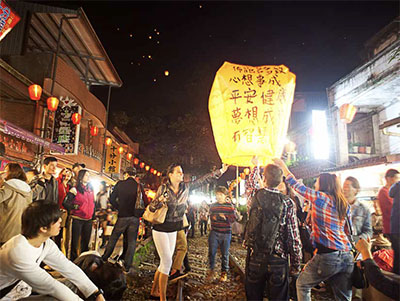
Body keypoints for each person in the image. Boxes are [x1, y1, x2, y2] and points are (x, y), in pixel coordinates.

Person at [273, 158, 354, 301]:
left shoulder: (320, 198)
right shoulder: (343, 203)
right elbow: (348, 230)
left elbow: (296, 185)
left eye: (317, 181)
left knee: (303, 284)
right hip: (347, 256)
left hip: (329, 256)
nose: (315, 183)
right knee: (343, 297)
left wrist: (283, 166)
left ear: (323, 184)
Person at [149, 163, 228, 301]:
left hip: (174, 228)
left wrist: (220, 171)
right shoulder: (163, 188)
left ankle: (154, 291)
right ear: (171, 175)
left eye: (182, 172)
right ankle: (162, 298)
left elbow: (203, 180)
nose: (181, 174)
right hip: (161, 228)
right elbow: (151, 207)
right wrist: (160, 201)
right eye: (178, 172)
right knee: (167, 262)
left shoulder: (186, 188)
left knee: (164, 263)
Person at [0, 202, 104, 301]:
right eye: (56, 219)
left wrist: (95, 293)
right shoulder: (17, 252)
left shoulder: (45, 243)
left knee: (73, 284)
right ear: (43, 228)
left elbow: (68, 267)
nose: (60, 220)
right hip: (8, 297)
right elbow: (51, 286)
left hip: (24, 289)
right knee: (56, 298)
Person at [244, 164, 302, 301]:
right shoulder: (287, 203)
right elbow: (294, 238)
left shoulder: (254, 196)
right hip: (278, 258)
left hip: (255, 256)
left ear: (264, 179)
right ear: (280, 180)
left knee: (253, 296)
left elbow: (250, 184)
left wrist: (255, 165)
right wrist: (295, 265)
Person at [102, 167, 147, 273]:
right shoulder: (138, 186)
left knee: (114, 237)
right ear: (135, 175)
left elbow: (112, 199)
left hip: (122, 216)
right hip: (134, 218)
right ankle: (127, 265)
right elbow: (145, 201)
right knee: (131, 241)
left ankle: (105, 257)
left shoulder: (120, 184)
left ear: (126, 174)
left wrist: (118, 207)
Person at [206, 186, 238, 283]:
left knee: (225, 254)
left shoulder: (230, 206)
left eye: (221, 195)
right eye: (217, 195)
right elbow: (210, 216)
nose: (219, 197)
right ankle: (211, 271)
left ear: (225, 196)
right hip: (214, 232)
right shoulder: (213, 206)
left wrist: (225, 217)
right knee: (212, 252)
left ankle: (224, 272)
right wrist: (214, 217)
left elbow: (233, 219)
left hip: (226, 233)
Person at [63, 169, 95, 261]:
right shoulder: (74, 189)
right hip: (77, 219)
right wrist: (74, 207)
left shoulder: (91, 190)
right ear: (81, 177)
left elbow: (93, 203)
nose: (88, 177)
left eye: (89, 176)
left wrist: (93, 217)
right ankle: (73, 260)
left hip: (88, 220)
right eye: (86, 175)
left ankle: (83, 261)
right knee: (74, 242)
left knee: (85, 242)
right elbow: (65, 202)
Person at [0, 163, 32, 246]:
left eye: (6, 170)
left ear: (11, 172)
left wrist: (0, 181)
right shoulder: (28, 189)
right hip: (20, 230)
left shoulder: (8, 187)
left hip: (5, 229)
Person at [343, 176, 372, 242]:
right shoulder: (337, 207)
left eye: (347, 186)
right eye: (343, 186)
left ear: (356, 190)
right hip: (340, 246)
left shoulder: (364, 210)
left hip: (356, 246)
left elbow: (368, 231)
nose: (344, 189)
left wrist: (357, 240)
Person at [378, 169, 400, 236]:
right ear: (388, 179)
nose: (398, 181)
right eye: (396, 178)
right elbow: (392, 209)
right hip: (390, 229)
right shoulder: (383, 192)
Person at [55, 168, 73, 250]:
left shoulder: (69, 186)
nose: (68, 174)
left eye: (70, 173)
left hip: (65, 212)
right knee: (56, 233)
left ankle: (60, 250)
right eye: (66, 172)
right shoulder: (57, 182)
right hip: (57, 210)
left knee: (62, 233)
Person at [389, 179, 400, 275]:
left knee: (397, 258)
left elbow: (390, 193)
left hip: (395, 229)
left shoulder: (396, 186)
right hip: (396, 228)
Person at [95, 181, 110, 249]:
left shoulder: (106, 194)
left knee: (104, 228)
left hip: (104, 213)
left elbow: (106, 204)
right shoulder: (98, 194)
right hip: (98, 212)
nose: (100, 186)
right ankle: (96, 241)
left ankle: (104, 242)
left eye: (101, 185)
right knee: (96, 228)